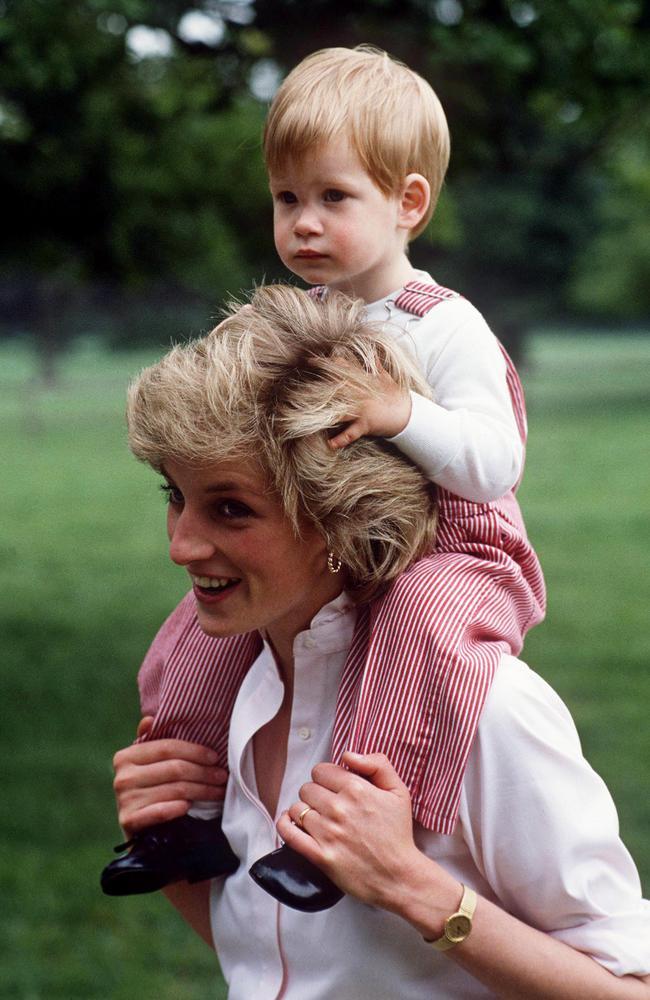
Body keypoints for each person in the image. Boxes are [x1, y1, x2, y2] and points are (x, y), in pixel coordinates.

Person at [110, 285, 650, 999]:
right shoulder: (234, 688)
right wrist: (173, 852)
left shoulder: (486, 711)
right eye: (173, 495)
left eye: (230, 509)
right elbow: (281, 966)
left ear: (342, 518)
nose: (182, 545)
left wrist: (414, 888)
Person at [101, 44, 545, 901]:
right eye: (286, 198)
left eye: (333, 197)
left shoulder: (441, 323)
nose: (303, 222)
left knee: (418, 625)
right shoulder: (298, 313)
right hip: (327, 542)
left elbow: (495, 465)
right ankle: (181, 821)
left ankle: (337, 830)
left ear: (407, 201)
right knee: (192, 637)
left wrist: (400, 414)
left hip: (453, 551)